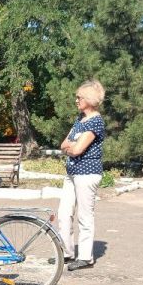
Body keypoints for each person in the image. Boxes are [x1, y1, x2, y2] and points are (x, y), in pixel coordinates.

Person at [58, 80, 107, 271]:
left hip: (87, 174)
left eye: (79, 97)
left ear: (90, 99)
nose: (76, 100)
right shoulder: (80, 120)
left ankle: (86, 257)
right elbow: (64, 144)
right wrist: (72, 146)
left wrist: (73, 146)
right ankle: (66, 253)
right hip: (72, 172)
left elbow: (77, 149)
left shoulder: (96, 121)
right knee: (63, 213)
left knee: (84, 216)